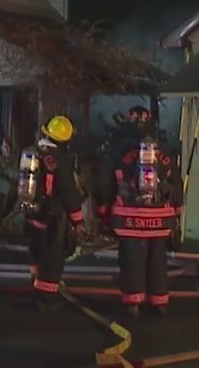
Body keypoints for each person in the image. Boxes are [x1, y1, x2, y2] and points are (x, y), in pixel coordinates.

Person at [95, 105, 183, 317]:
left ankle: (133, 303)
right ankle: (159, 301)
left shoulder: (118, 150)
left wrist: (103, 209)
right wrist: (176, 212)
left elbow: (105, 182)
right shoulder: (164, 151)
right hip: (160, 218)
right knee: (158, 259)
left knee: (131, 258)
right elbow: (176, 183)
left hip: (129, 218)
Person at [19, 115, 86, 311]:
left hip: (32, 213)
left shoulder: (32, 152)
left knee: (36, 251)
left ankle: (35, 286)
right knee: (52, 258)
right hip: (52, 217)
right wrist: (78, 221)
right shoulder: (59, 161)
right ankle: (46, 299)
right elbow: (68, 193)